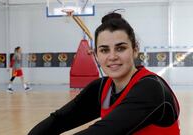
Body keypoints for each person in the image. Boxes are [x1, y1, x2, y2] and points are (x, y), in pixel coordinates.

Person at [28, 12, 180, 135]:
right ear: (96, 54)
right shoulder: (101, 88)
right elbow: (59, 120)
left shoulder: (150, 88)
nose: (112, 56)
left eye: (120, 48)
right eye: (104, 50)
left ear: (135, 50)